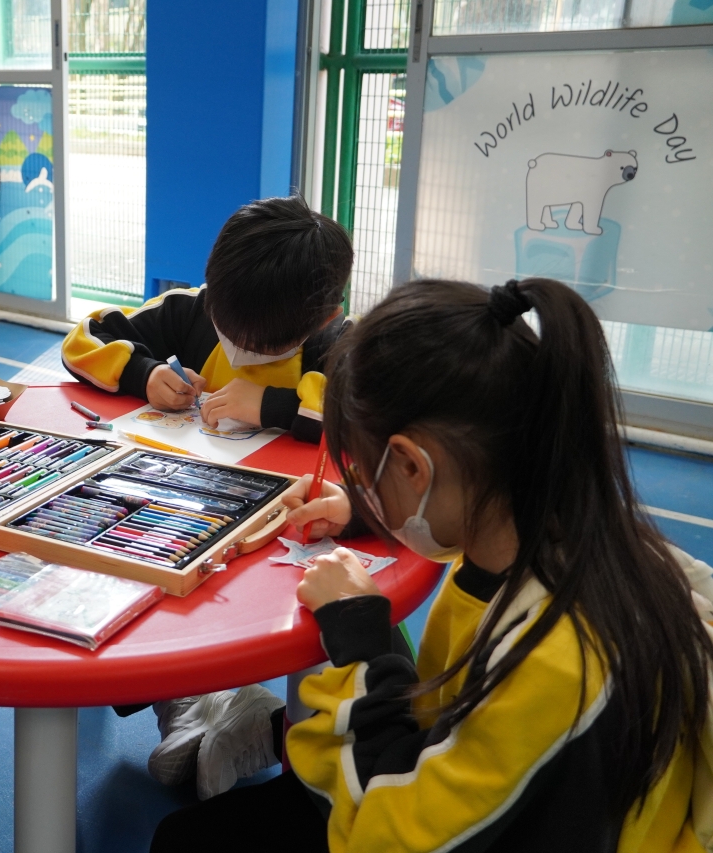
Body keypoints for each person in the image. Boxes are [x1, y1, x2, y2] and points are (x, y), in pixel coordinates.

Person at [150, 278, 713, 852]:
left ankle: (266, 726)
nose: (359, 484)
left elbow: (395, 838)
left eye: (362, 471)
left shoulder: (556, 665)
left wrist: (362, 642)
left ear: (414, 467)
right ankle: (270, 728)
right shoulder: (570, 531)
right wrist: (366, 508)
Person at [60, 196, 353, 441]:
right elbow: (84, 338)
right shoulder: (189, 310)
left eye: (258, 347)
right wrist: (144, 374)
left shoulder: (340, 344)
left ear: (324, 319)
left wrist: (272, 406)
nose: (236, 349)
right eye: (225, 329)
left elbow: (366, 420)